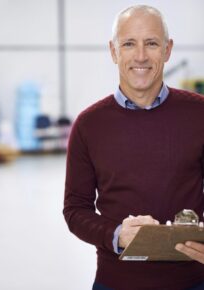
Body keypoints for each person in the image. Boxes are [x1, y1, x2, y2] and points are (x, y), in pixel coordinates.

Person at [63, 5, 204, 290]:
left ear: (167, 49)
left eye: (151, 43)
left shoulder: (199, 114)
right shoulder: (89, 125)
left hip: (193, 281)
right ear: (114, 51)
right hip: (116, 282)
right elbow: (75, 209)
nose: (140, 56)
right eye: (129, 44)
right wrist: (116, 235)